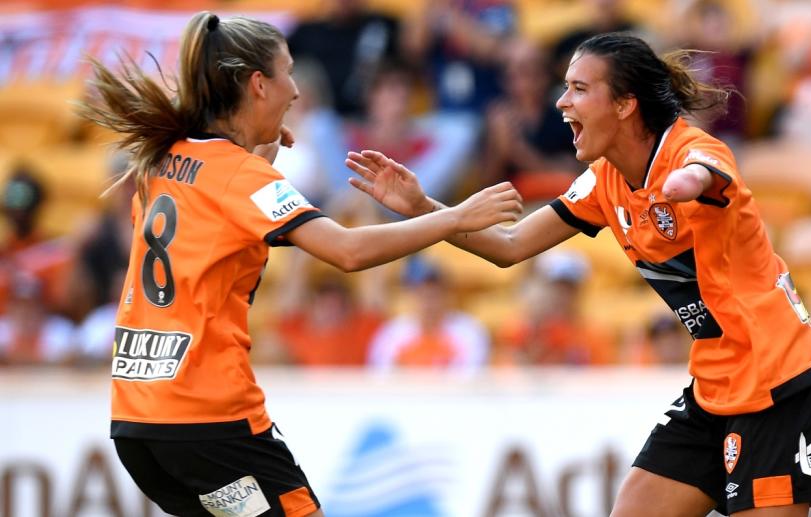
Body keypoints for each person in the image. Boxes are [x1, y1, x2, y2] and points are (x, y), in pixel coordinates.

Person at [348, 32, 811, 516]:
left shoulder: (690, 151)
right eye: (566, 87)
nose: (562, 102)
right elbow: (510, 246)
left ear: (625, 104)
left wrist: (685, 183)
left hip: (780, 382)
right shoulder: (605, 180)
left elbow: (703, 171)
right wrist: (424, 208)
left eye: (580, 89)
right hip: (715, 386)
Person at [77, 11, 521, 517]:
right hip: (209, 417)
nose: (295, 91)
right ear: (258, 84)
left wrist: (253, 158)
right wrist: (454, 217)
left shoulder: (161, 160)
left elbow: (209, 227)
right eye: (287, 73)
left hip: (138, 423)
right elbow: (347, 251)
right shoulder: (240, 176)